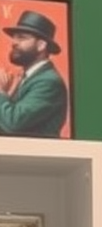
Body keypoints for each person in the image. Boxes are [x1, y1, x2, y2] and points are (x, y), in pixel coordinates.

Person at [0, 10, 69, 138]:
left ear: (41, 45)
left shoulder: (49, 82)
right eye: (14, 37)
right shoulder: (26, 78)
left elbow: (13, 123)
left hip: (36, 157)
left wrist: (1, 93)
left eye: (22, 37)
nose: (14, 42)